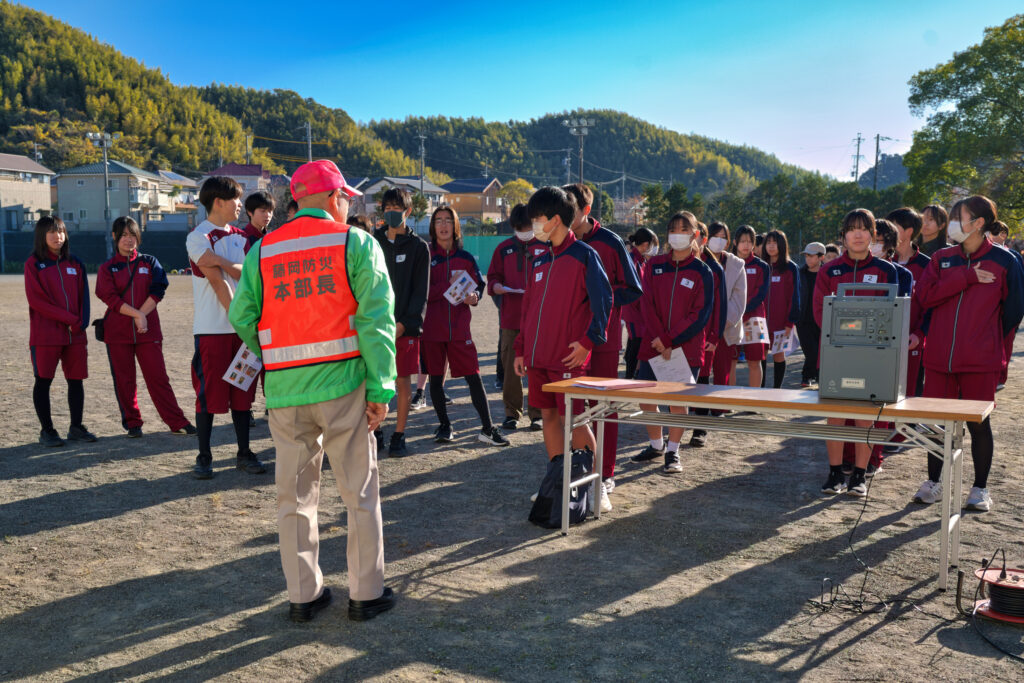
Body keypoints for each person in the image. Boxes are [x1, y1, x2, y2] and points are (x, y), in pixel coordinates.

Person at [229, 159, 396, 623]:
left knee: (295, 498)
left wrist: (278, 349)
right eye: (344, 196)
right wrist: (381, 388)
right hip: (344, 388)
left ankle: (303, 595)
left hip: (285, 392)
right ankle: (365, 593)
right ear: (333, 198)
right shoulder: (355, 243)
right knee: (358, 493)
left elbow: (242, 317)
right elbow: (376, 322)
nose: (346, 204)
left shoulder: (263, 251)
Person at [912, 196, 1023, 512]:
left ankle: (979, 489)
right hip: (938, 361)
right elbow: (926, 296)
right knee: (936, 424)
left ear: (978, 223)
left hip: (979, 362)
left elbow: (1014, 312)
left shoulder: (1006, 261)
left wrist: (987, 344)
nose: (953, 223)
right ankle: (933, 483)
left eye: (960, 217)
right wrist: (967, 277)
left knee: (978, 424)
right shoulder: (942, 259)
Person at [514, 187, 612, 507]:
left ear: (555, 220)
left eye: (538, 219)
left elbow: (604, 302)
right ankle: (558, 482)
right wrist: (520, 348)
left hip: (567, 357)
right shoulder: (539, 258)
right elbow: (528, 309)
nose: (534, 225)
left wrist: (588, 343)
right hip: (538, 357)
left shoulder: (585, 255)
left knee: (576, 420)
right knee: (549, 417)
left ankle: (596, 489)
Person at [563, 183, 643, 504]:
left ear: (585, 211)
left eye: (569, 210)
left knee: (604, 409)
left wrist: (600, 302)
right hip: (569, 341)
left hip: (603, 340)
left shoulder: (610, 242)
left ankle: (606, 473)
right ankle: (579, 467)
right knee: (574, 407)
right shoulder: (561, 243)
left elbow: (633, 288)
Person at [813, 209, 899, 497]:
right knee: (835, 416)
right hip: (835, 355)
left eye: (864, 229)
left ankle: (860, 476)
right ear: (844, 235)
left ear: (874, 234)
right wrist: (855, 327)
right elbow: (819, 313)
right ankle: (835, 472)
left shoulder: (887, 270)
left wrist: (854, 326)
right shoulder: (829, 270)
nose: (858, 234)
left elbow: (891, 316)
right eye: (852, 229)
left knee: (866, 417)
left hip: (874, 358)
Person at [185, 176, 265, 479]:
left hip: (242, 332)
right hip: (212, 330)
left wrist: (220, 262)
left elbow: (247, 273)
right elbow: (218, 283)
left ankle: (244, 453)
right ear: (218, 201)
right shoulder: (197, 236)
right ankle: (204, 456)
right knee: (208, 394)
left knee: (242, 395)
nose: (240, 205)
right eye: (236, 200)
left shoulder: (242, 237)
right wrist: (241, 321)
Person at [95, 217, 194, 437]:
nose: (128, 240)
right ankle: (133, 423)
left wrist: (142, 315)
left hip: (148, 332)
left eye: (132, 235)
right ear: (114, 237)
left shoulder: (150, 262)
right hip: (117, 333)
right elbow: (109, 298)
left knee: (158, 378)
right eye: (123, 236)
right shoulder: (107, 268)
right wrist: (137, 314)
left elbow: (158, 290)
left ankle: (176, 421)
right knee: (124, 381)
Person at [631, 213, 714, 468]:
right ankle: (656, 445)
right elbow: (647, 303)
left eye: (684, 229)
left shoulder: (703, 271)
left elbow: (699, 314)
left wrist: (669, 340)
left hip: (685, 348)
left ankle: (673, 451)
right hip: (652, 345)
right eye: (673, 229)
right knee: (647, 398)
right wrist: (660, 339)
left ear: (695, 235)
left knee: (678, 402)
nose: (678, 233)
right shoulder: (654, 265)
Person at [422, 205, 509, 446]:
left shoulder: (466, 258)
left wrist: (475, 297)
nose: (443, 225)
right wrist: (446, 287)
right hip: (432, 330)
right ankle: (444, 426)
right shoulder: (426, 257)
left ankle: (487, 429)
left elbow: (478, 287)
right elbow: (421, 293)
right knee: (436, 380)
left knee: (474, 377)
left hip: (460, 329)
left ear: (456, 225)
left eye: (448, 220)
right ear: (433, 226)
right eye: (438, 220)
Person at [24, 216, 96, 447]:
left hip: (75, 334)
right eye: (52, 232)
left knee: (76, 381)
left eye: (61, 232)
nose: (58, 237)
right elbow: (37, 301)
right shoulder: (34, 264)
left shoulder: (75, 263)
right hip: (46, 335)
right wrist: (69, 319)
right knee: (43, 381)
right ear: (42, 236)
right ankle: (47, 431)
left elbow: (84, 296)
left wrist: (81, 322)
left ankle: (76, 427)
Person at [372, 188, 430, 457]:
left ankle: (399, 434)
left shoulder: (419, 247)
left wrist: (403, 325)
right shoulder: (372, 242)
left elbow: (421, 293)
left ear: (408, 212)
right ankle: (375, 430)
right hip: (374, 327)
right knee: (372, 381)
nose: (391, 212)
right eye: (387, 207)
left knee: (403, 382)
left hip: (405, 328)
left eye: (398, 207)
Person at [487, 203, 547, 430]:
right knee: (512, 369)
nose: (525, 230)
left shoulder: (544, 246)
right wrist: (497, 286)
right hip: (511, 319)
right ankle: (512, 413)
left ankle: (538, 414)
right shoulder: (503, 249)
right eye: (521, 227)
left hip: (539, 320)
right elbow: (491, 279)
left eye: (529, 226)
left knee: (537, 368)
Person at [688, 222, 727, 447]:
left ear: (703, 239)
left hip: (704, 335)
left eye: (693, 235)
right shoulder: (674, 263)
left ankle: (700, 429)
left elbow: (720, 307)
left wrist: (714, 336)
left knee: (702, 380)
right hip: (679, 336)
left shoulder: (714, 268)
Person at [887, 208, 931, 398]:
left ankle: (908, 428)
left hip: (913, 341)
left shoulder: (927, 265)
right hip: (884, 342)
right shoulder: (884, 263)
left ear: (909, 231)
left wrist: (919, 334)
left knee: (911, 394)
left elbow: (930, 305)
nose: (889, 232)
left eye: (894, 227)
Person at [704, 222, 747, 391]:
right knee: (702, 370)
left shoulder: (736, 264)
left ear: (728, 243)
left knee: (723, 370)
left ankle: (718, 407)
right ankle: (696, 405)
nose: (719, 241)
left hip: (726, 328)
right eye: (715, 236)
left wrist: (721, 322)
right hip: (701, 326)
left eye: (723, 238)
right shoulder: (698, 260)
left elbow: (739, 299)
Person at [731, 225, 769, 388]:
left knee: (754, 361)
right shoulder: (728, 264)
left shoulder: (762, 266)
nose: (746, 245)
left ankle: (754, 400)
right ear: (735, 242)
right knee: (731, 361)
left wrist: (742, 309)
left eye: (749, 241)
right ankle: (727, 400)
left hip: (754, 318)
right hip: (731, 319)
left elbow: (760, 294)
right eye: (742, 241)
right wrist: (734, 311)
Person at [761, 229, 801, 389]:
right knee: (760, 357)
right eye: (768, 243)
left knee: (778, 355)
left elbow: (795, 296)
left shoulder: (790, 268)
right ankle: (760, 390)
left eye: (774, 243)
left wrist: (789, 323)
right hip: (760, 323)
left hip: (781, 323)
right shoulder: (762, 266)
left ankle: (776, 390)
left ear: (782, 245)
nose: (771, 246)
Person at [987, 220, 1023, 391]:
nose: (991, 237)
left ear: (1004, 235)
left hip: (1008, 311)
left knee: (1005, 345)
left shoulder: (1013, 257)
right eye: (990, 232)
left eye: (996, 233)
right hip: (989, 312)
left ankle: (1000, 377)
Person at [622, 227, 659, 380]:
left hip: (638, 310)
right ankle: (629, 377)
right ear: (645, 245)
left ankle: (632, 375)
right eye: (653, 244)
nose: (656, 249)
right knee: (635, 344)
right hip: (634, 310)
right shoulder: (633, 260)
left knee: (635, 343)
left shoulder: (640, 260)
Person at [796, 242, 825, 387]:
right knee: (811, 351)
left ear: (821, 257)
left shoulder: (827, 273)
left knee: (820, 351)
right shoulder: (799, 273)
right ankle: (808, 376)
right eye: (806, 255)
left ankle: (810, 376)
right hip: (803, 320)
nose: (808, 259)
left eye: (811, 256)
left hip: (822, 320)